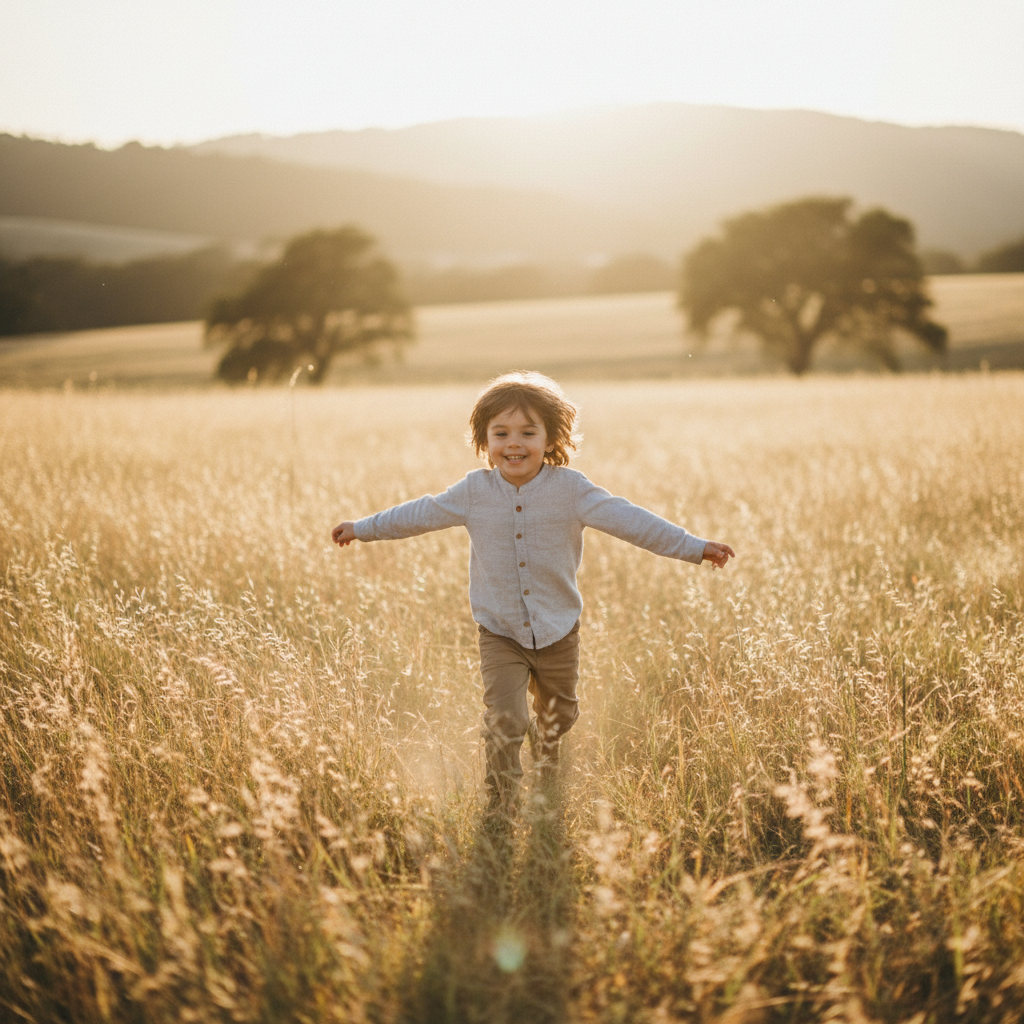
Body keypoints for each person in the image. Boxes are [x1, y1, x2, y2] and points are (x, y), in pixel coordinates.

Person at [332, 371, 735, 815]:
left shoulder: (572, 490)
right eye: (501, 433)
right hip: (500, 631)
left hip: (559, 630)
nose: (514, 443)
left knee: (557, 720)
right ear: (485, 440)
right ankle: (501, 805)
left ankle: (548, 780)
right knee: (506, 721)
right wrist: (362, 528)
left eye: (528, 432)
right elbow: (419, 514)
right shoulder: (473, 492)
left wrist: (694, 547)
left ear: (550, 437)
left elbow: (632, 521)